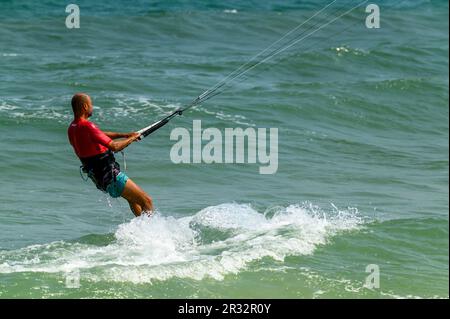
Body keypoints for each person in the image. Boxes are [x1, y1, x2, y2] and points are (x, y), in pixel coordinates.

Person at [67, 93, 153, 217]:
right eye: (91, 104)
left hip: (99, 179)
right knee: (147, 201)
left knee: (133, 200)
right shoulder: (87, 126)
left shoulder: (73, 128)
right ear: (85, 106)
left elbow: (101, 134)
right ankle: (150, 233)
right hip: (111, 175)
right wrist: (132, 139)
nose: (92, 107)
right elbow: (114, 147)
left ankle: (142, 230)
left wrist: (125, 135)